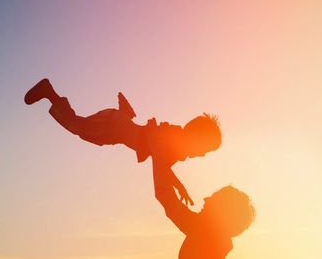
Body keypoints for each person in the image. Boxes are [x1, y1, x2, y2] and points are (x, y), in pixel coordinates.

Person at [24, 78, 222, 204]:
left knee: (90, 135)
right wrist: (178, 187)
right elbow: (160, 162)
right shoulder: (175, 138)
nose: (202, 154)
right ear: (196, 138)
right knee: (79, 127)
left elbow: (163, 166)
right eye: (205, 149)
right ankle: (49, 92)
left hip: (118, 129)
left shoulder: (177, 145)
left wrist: (179, 187)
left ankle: (126, 115)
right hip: (116, 126)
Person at [150, 120, 255, 259]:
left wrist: (157, 149)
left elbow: (165, 198)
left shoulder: (205, 233)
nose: (206, 198)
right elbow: (166, 197)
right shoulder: (211, 236)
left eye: (213, 198)